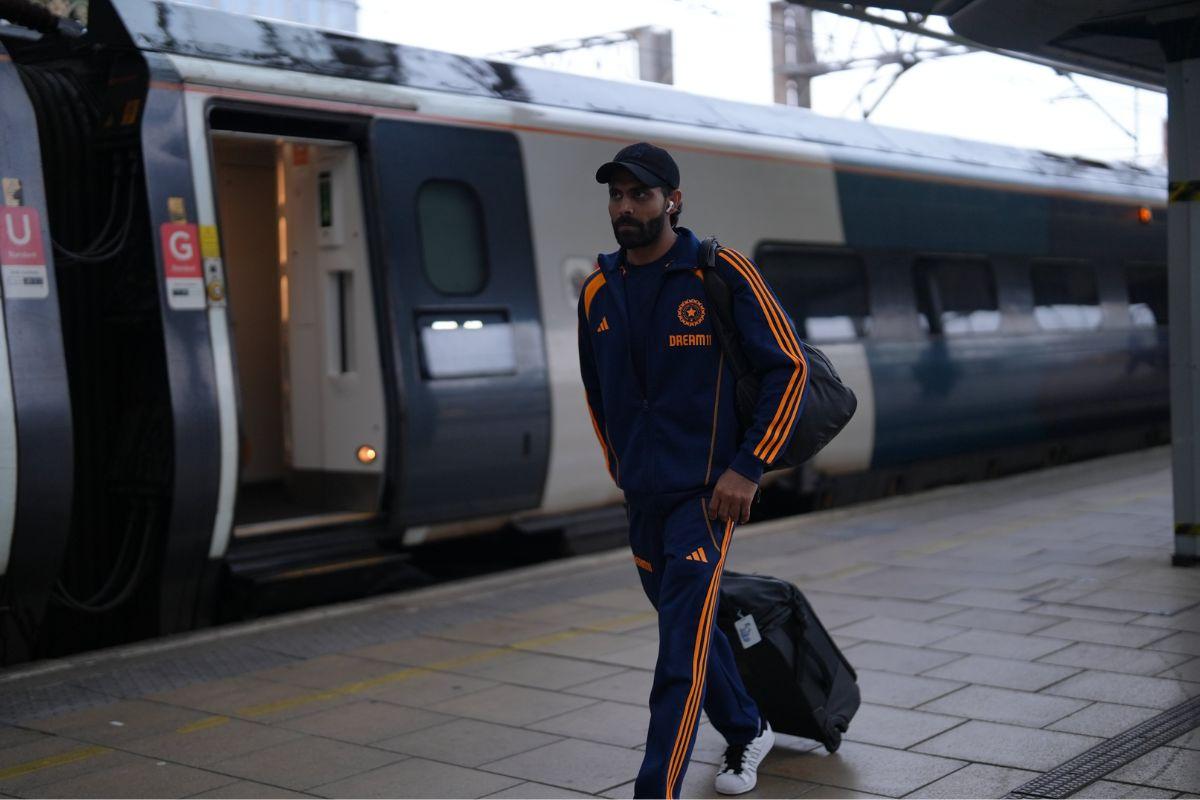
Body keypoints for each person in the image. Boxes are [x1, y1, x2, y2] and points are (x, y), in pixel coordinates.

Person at [576, 142, 809, 798]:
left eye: (640, 195)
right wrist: (620, 468)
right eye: (617, 195)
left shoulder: (720, 272)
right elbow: (600, 393)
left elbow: (789, 369)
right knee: (691, 631)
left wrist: (748, 467)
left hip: (705, 498)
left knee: (678, 654)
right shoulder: (598, 290)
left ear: (672, 201)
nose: (625, 208)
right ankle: (745, 726)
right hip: (642, 500)